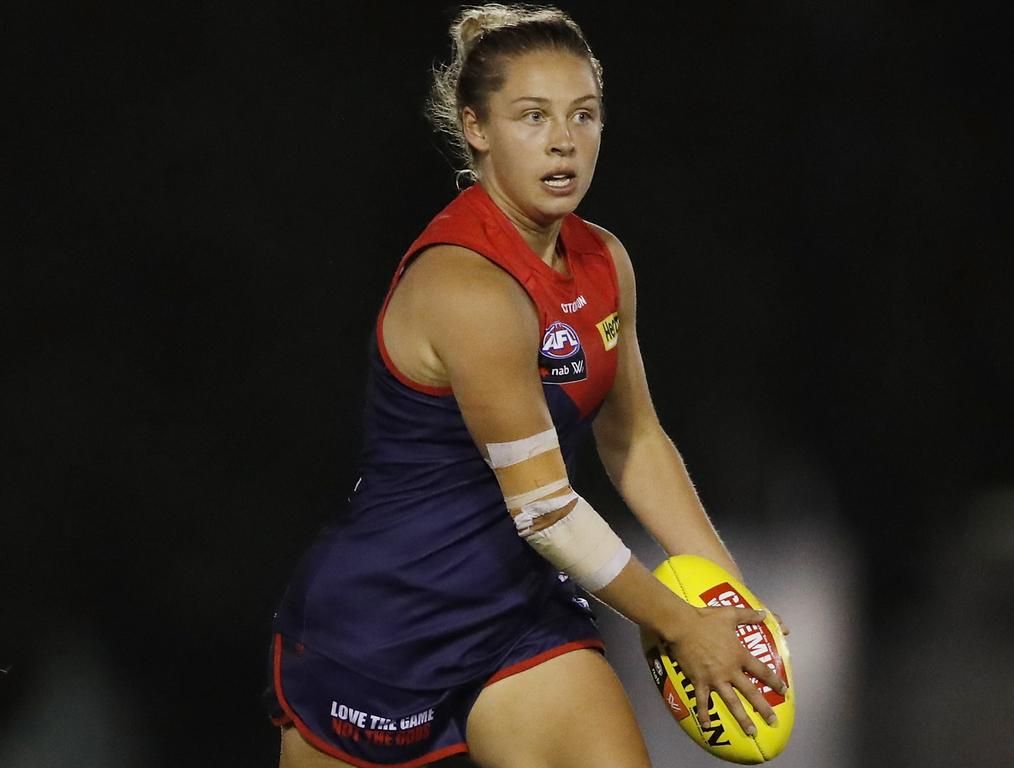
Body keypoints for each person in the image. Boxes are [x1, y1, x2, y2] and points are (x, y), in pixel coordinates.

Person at [265, 5, 788, 767]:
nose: (563, 142)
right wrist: (678, 622)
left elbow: (633, 438)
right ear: (476, 128)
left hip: (517, 618)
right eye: (532, 117)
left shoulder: (604, 261)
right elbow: (545, 510)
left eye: (584, 116)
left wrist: (731, 606)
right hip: (383, 629)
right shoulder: (467, 288)